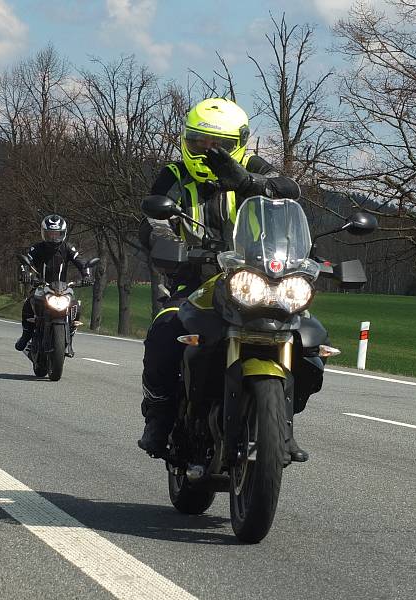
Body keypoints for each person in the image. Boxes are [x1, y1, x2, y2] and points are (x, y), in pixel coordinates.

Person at [137, 97, 310, 462]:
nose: (208, 151)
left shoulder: (253, 167)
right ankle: (159, 417)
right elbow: (153, 217)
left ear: (239, 144)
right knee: (164, 335)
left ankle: (281, 421)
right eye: (200, 141)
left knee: (308, 342)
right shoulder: (174, 174)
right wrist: (168, 246)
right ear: (187, 138)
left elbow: (291, 191)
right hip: (192, 281)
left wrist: (248, 183)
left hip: (256, 280)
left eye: (220, 145)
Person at [14, 214, 91, 351]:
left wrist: (86, 275)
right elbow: (26, 261)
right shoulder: (36, 248)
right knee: (28, 303)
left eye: (57, 234)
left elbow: (81, 261)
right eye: (50, 234)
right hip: (41, 285)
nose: (54, 237)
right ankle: (26, 335)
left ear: (63, 233)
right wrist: (25, 273)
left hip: (63, 287)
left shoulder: (68, 248)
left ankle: (71, 330)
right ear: (44, 233)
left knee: (75, 304)